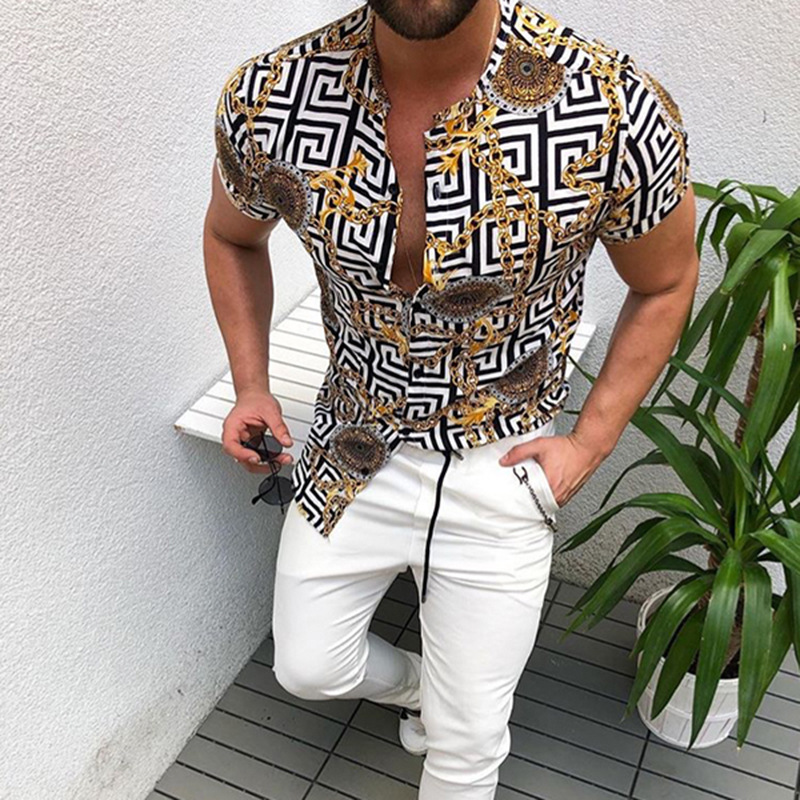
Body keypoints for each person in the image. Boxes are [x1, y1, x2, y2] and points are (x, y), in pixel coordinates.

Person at [203, 0, 699, 796]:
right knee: (307, 664)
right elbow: (232, 236)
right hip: (352, 443)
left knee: (468, 750)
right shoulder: (271, 96)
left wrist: (591, 442)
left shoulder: (611, 104)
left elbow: (666, 281)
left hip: (501, 457)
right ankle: (424, 691)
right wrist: (251, 385)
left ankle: (457, 717)